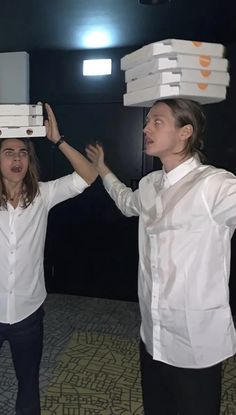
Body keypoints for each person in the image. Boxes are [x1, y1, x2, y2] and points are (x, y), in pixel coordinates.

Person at [85, 98, 236, 415]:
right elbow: (127, 203)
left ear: (185, 132)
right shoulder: (151, 184)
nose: (145, 128)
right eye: (147, 121)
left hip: (194, 343)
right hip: (152, 337)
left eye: (157, 121)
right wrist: (102, 169)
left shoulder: (214, 185)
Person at [0, 103, 97, 415]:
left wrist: (57, 139)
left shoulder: (42, 195)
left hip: (27, 313)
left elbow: (88, 175)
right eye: (8, 152)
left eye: (23, 153)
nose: (17, 158)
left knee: (29, 385)